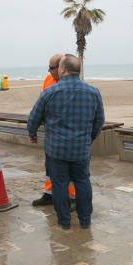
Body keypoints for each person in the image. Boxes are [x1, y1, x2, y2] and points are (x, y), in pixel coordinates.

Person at [27, 54, 104, 230]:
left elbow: (34, 118)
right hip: (81, 149)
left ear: (62, 70)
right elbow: (99, 121)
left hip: (56, 150)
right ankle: (85, 221)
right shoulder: (93, 92)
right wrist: (88, 138)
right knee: (83, 181)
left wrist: (32, 134)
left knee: (59, 184)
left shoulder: (49, 93)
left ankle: (64, 221)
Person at [32, 53, 76, 206]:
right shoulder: (48, 80)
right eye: (48, 67)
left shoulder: (71, 84)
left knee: (68, 168)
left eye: (52, 68)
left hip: (68, 133)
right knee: (50, 165)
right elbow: (41, 104)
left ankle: (71, 197)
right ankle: (49, 193)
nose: (49, 71)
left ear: (62, 68)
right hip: (51, 132)